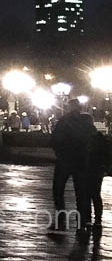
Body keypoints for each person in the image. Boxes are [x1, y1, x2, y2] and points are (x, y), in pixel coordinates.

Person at [50, 98, 97, 233]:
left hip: (65, 160)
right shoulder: (87, 122)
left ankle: (61, 219)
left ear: (70, 107)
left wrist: (59, 152)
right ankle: (81, 223)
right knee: (81, 193)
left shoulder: (64, 120)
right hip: (81, 161)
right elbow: (93, 138)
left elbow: (54, 140)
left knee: (58, 190)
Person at [85, 126, 111, 235]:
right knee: (95, 195)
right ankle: (97, 219)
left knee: (88, 195)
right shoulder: (101, 140)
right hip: (97, 170)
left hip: (91, 170)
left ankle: (87, 219)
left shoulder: (90, 141)